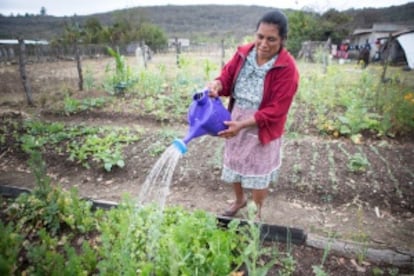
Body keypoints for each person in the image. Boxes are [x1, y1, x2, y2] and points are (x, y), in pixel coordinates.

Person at [207, 9, 299, 219]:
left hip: (263, 124)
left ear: (283, 40)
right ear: (255, 34)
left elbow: (277, 109)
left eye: (271, 39)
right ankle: (239, 200)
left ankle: (256, 212)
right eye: (260, 37)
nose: (264, 44)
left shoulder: (287, 68)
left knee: (259, 171)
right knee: (235, 162)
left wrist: (244, 124)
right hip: (236, 118)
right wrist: (217, 85)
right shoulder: (243, 54)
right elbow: (226, 78)